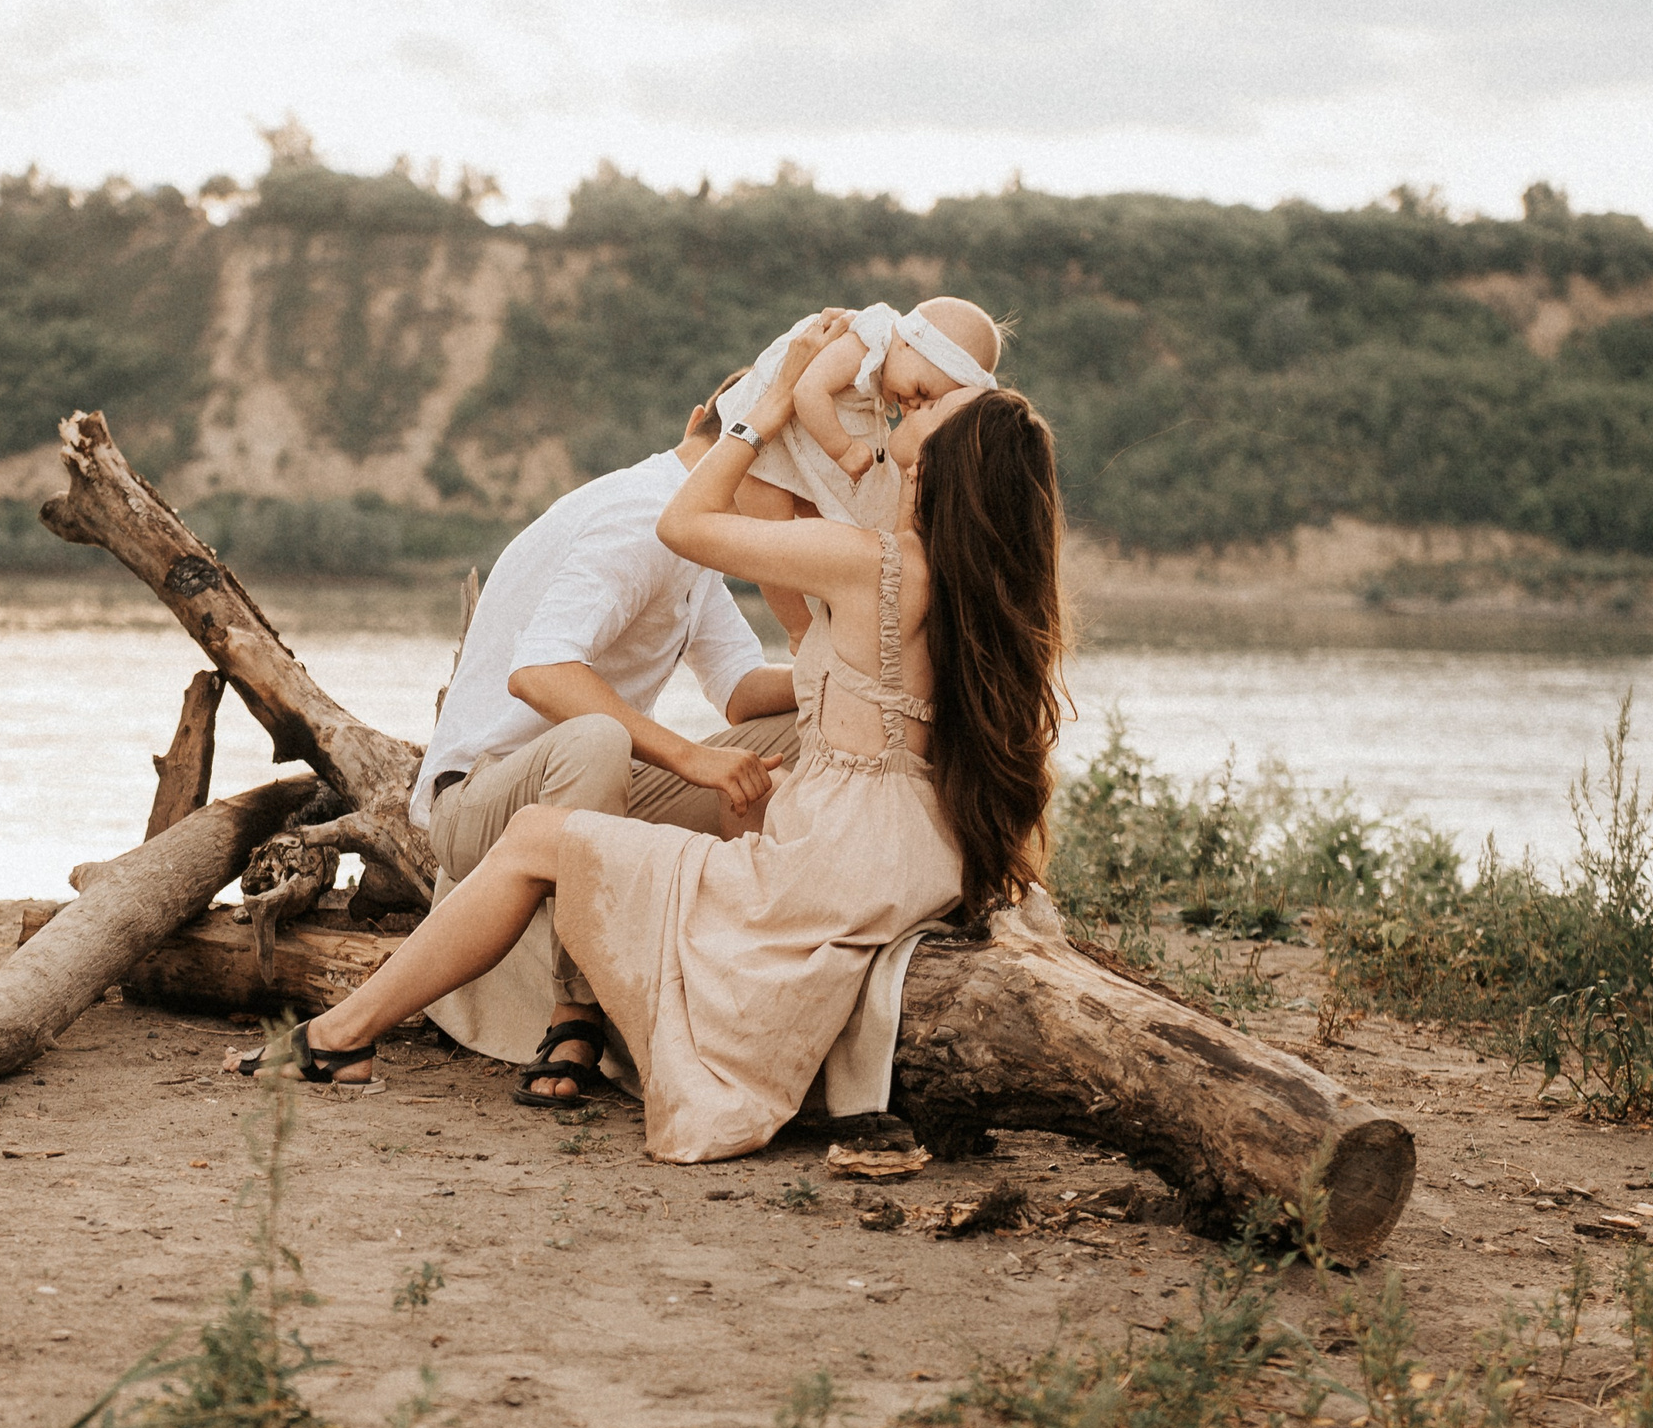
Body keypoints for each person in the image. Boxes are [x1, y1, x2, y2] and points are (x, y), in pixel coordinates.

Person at [228, 309, 1070, 1169]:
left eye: (913, 422)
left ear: (939, 472)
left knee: (542, 836)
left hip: (834, 858)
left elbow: (690, 525)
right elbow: (789, 676)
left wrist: (765, 416)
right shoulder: (972, 582)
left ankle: (349, 1033)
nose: (889, 436)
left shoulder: (868, 561)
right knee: (622, 758)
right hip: (904, 848)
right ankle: (562, 994)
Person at [406, 368, 802, 1107]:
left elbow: (745, 691)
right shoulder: (637, 514)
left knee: (810, 719)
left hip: (584, 788)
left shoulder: (691, 537)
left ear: (695, 420)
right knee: (594, 738)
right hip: (478, 805)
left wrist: (850, 673)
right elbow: (540, 672)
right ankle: (575, 1008)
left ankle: (797, 931)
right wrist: (691, 757)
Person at [714, 296, 1004, 645]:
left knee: (833, 526)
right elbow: (808, 391)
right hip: (765, 443)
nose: (912, 404)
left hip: (799, 436)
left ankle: (840, 620)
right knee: (769, 549)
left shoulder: (888, 359)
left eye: (927, 404)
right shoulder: (865, 340)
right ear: (907, 343)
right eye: (920, 391)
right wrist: (844, 449)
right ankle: (798, 630)